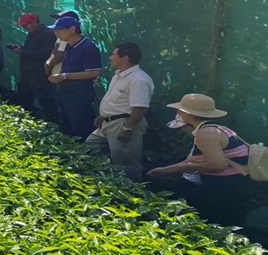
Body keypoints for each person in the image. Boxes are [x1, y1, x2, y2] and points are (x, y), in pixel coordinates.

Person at [147, 94, 252, 227]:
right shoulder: (214, 129)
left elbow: (218, 165)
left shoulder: (206, 133)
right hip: (231, 186)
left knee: (220, 227)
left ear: (190, 114)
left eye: (180, 110)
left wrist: (176, 169)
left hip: (225, 189)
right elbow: (197, 160)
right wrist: (165, 171)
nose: (178, 113)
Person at [86, 43, 154, 181]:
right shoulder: (119, 75)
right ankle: (104, 182)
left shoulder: (138, 79)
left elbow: (139, 108)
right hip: (107, 123)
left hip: (123, 124)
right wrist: (103, 115)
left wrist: (127, 128)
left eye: (114, 54)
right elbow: (117, 101)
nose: (110, 57)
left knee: (126, 164)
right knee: (89, 148)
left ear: (125, 58)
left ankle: (133, 195)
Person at [47, 16, 102, 140]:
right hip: (65, 91)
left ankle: (88, 156)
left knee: (81, 127)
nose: (56, 33)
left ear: (72, 29)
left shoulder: (88, 46)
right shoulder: (68, 45)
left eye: (59, 30)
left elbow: (95, 72)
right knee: (66, 126)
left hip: (79, 93)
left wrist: (64, 76)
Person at [9, 13, 59, 121]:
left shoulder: (48, 34)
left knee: (46, 99)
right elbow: (30, 50)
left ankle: (53, 122)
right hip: (27, 73)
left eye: (26, 25)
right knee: (24, 98)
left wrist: (23, 51)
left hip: (39, 73)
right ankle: (24, 119)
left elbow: (45, 54)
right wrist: (21, 50)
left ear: (35, 22)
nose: (24, 28)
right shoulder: (31, 34)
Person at [44, 10, 80, 75]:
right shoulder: (63, 37)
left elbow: (59, 55)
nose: (56, 21)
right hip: (59, 75)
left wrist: (49, 65)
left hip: (63, 76)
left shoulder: (67, 38)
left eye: (59, 19)